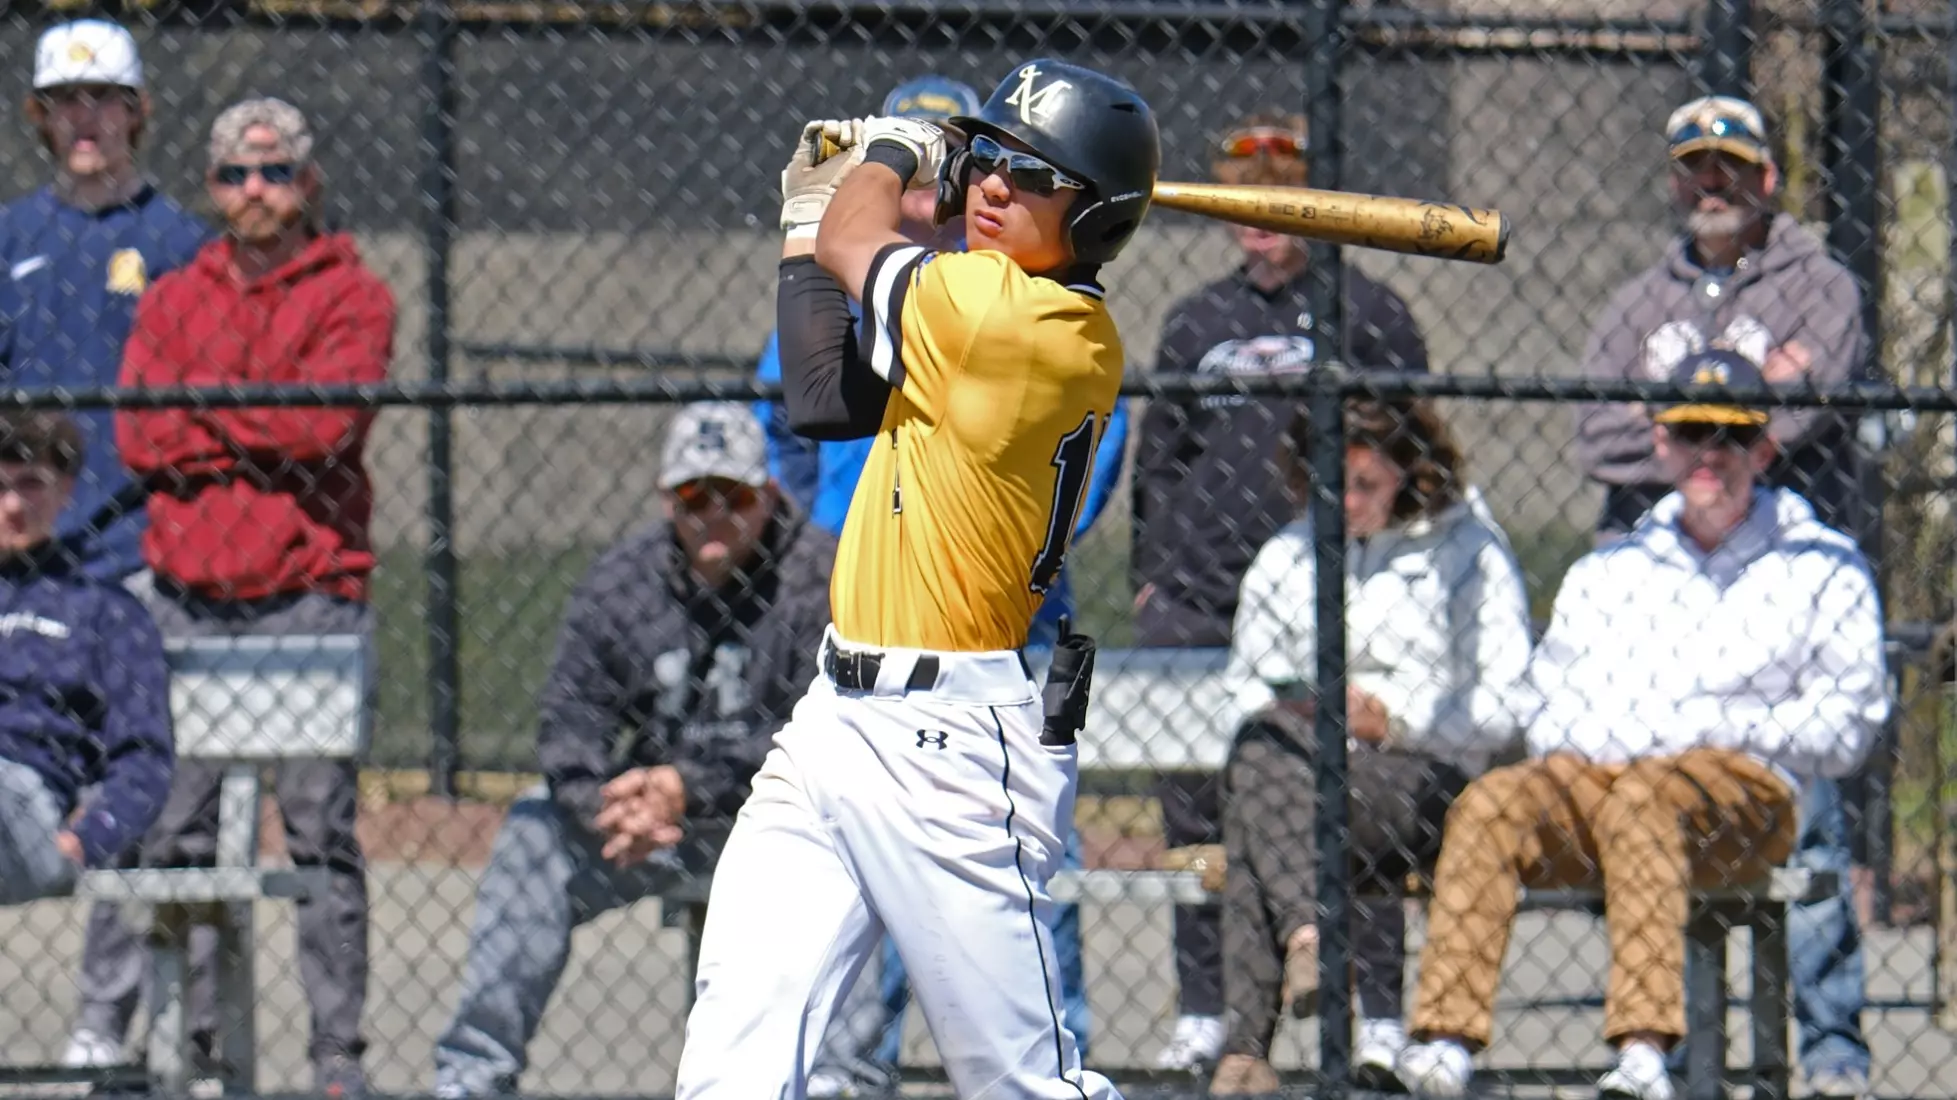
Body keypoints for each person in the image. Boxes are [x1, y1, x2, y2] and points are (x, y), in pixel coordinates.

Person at [671, 58, 1159, 1099]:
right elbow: (818, 393)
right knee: (734, 1053)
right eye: (987, 157)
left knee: (1023, 1084)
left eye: (1034, 176)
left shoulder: (1016, 320)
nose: (993, 185)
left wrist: (891, 151)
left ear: (1093, 217)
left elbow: (858, 241)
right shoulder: (979, 309)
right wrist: (809, 213)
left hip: (953, 746)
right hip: (833, 719)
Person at [1395, 348, 1891, 1100]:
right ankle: (1443, 1041)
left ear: (1763, 449)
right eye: (1690, 433)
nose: (1709, 455)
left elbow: (1849, 722)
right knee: (1493, 802)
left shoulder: (1823, 562)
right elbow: (1550, 704)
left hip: (1751, 789)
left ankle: (1643, 1052)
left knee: (1645, 799)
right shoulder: (1612, 568)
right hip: (1606, 773)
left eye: (1731, 436)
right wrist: (1639, 733)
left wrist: (1711, 724)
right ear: (1661, 442)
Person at [68, 97, 393, 1100]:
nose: (255, 191)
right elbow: (141, 434)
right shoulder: (175, 295)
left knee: (319, 835)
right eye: (235, 175)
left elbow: (326, 427)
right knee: (172, 832)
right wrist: (261, 418)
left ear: (308, 182)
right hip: (187, 598)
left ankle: (335, 1058)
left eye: (276, 172)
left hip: (309, 597)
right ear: (210, 187)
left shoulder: (354, 294)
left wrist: (205, 409)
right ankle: (197, 1045)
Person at [1569, 95, 1878, 1097]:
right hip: (1656, 577)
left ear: (1766, 179)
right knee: (1646, 794)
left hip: (1771, 568)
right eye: (1695, 166)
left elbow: (1807, 409)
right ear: (1673, 181)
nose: (1713, 182)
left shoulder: (1818, 284)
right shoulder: (1635, 300)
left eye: (1731, 165)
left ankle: (1831, 1048)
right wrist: (1736, 412)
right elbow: (1589, 432)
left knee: (1807, 800)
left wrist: (1667, 420)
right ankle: (1654, 1042)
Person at [1129, 110, 1432, 1072]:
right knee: (1195, 810)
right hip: (1200, 597)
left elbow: (1413, 446)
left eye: (1280, 195)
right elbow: (1158, 463)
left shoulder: (1368, 311)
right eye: (1242, 198)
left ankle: (1376, 1012)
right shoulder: (1195, 321)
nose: (1259, 216)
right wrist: (1149, 583)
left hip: (1325, 589)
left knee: (1343, 793)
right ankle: (1206, 1010)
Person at [431, 402, 838, 1098]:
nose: (713, 514)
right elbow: (569, 720)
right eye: (693, 496)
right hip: (654, 830)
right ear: (665, 499)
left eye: (734, 496)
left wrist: (687, 785)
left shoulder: (820, 576)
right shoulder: (623, 582)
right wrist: (607, 808)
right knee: (534, 830)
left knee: (851, 838)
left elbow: (820, 728)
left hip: (780, 830)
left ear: (769, 495)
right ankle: (472, 1079)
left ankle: (839, 1080)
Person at [1206, 398, 1534, 1095]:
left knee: (1256, 818)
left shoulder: (1467, 552)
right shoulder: (1285, 555)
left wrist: (1395, 720)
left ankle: (1247, 1045)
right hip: (1300, 768)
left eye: (1366, 485)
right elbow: (1240, 690)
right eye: (1330, 483)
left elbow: (1509, 702)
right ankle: (1308, 940)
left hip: (1425, 776)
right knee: (1263, 754)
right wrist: (1297, 708)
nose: (1346, 503)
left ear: (1410, 473)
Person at [0, 19, 209, 583]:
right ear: (39, 115)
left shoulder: (184, 244)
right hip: (22, 539)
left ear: (138, 111)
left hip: (141, 545)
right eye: (65, 99)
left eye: (103, 97)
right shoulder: (10, 237)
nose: (84, 116)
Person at [0, 409, 174, 900]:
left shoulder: (105, 609)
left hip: (25, 806)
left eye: (31, 484)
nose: (13, 504)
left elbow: (145, 757)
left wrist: (87, 839)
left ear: (66, 490)